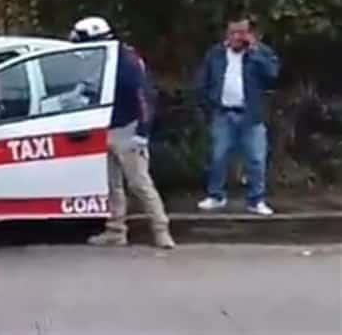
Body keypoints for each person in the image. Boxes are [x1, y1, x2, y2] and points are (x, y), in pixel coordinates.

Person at [70, 17, 175, 249]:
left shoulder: (126, 61)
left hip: (127, 129)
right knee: (112, 184)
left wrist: (142, 132)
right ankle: (115, 231)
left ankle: (161, 230)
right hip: (104, 127)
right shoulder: (101, 60)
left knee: (139, 183)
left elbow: (144, 97)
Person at [195, 16, 280, 215]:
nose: (235, 37)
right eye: (232, 33)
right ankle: (216, 196)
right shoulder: (215, 54)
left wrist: (255, 52)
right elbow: (203, 80)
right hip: (223, 113)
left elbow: (273, 75)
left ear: (249, 34)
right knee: (218, 156)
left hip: (251, 115)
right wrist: (208, 102)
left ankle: (256, 200)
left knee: (256, 159)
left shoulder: (261, 53)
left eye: (240, 33)